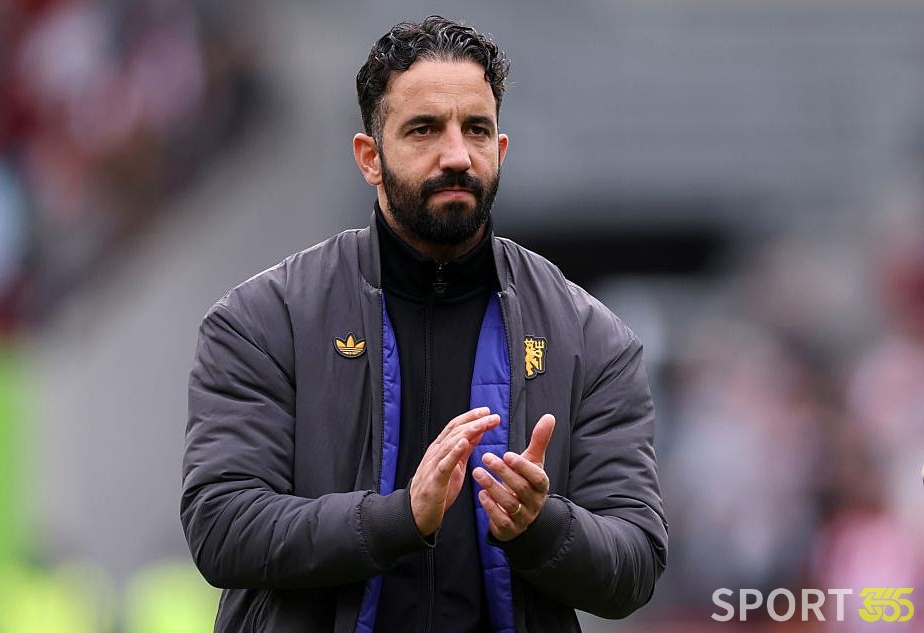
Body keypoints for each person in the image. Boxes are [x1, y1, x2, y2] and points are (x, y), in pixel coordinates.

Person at [181, 15, 667, 633]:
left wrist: (540, 526)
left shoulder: (592, 340)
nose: (457, 155)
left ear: (501, 151)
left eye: (476, 129)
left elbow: (635, 564)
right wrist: (399, 519)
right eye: (424, 129)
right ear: (370, 158)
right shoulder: (262, 322)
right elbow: (222, 527)